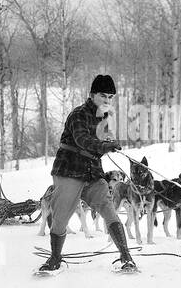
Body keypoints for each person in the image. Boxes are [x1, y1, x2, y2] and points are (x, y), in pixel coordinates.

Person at [37, 74, 138, 274]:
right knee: (61, 217)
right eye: (103, 96)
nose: (107, 101)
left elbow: (101, 141)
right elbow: (83, 140)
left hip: (92, 172)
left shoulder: (104, 119)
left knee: (109, 209)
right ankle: (55, 259)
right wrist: (104, 145)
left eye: (110, 97)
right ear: (92, 95)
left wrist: (111, 144)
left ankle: (126, 256)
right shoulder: (78, 115)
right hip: (69, 169)